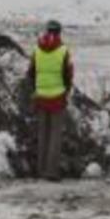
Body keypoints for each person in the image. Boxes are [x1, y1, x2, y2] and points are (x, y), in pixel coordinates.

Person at [27, 20, 74, 181]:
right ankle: (51, 172)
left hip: (41, 97)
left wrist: (37, 89)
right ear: (59, 32)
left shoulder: (36, 50)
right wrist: (66, 90)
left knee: (43, 134)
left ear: (47, 31)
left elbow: (31, 73)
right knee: (55, 136)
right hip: (58, 98)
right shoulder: (63, 51)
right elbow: (68, 74)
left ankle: (40, 170)